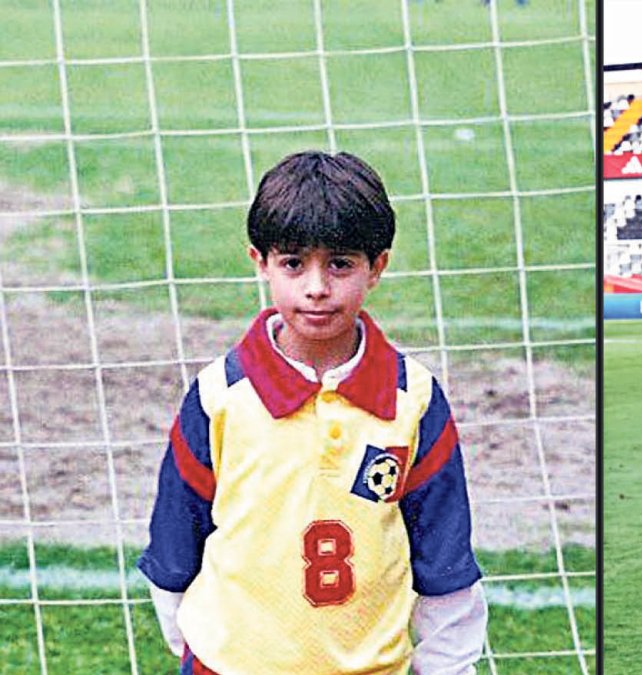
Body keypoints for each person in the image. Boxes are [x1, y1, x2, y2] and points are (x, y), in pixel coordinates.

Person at [137, 151, 487, 674]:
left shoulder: (412, 398)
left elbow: (444, 551)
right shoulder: (220, 395)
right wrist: (202, 648)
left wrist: (444, 664)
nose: (317, 287)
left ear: (378, 267)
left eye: (340, 263)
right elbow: (173, 543)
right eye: (294, 263)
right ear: (261, 262)